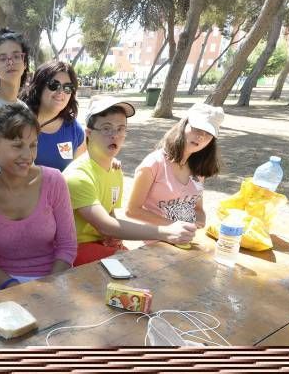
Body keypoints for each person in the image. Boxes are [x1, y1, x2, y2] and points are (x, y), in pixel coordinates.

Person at [63, 96, 196, 266]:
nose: (115, 136)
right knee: (137, 266)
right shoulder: (78, 176)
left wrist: (112, 237)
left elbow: (109, 214)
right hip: (74, 250)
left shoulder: (115, 170)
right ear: (89, 133)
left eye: (121, 129)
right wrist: (165, 232)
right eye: (106, 128)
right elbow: (105, 225)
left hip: (100, 244)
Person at [0, 104, 77, 296]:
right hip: (2, 284)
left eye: (33, 145)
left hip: (53, 278)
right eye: (17, 146)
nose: (28, 156)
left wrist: (47, 286)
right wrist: (14, 287)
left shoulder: (54, 180)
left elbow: (68, 247)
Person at [126, 103, 224, 229]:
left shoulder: (199, 168)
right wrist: (174, 227)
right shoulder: (154, 163)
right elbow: (131, 210)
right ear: (183, 125)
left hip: (185, 242)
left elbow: (198, 210)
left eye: (208, 133)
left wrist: (197, 224)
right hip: (152, 242)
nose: (201, 136)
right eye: (197, 129)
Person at [19, 60, 85, 171]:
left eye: (67, 87)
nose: (61, 92)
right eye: (54, 85)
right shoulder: (18, 122)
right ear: (39, 87)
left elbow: (79, 172)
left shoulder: (75, 130)